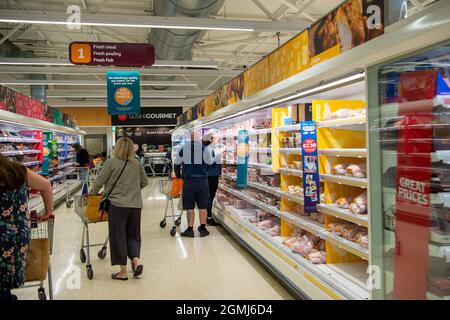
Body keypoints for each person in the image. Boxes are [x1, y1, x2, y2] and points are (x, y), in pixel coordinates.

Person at [91, 137, 148, 281]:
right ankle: (136, 261)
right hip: (135, 206)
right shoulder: (136, 164)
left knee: (118, 237)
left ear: (117, 148)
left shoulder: (110, 163)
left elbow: (99, 181)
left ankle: (123, 272)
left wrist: (92, 194)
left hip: (117, 205)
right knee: (133, 235)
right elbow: (145, 182)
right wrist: (133, 191)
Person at [0, 155, 54, 301]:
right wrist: (49, 211)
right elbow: (46, 185)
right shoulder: (18, 170)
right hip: (17, 235)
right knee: (6, 278)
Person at [174, 131, 213, 238]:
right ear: (198, 138)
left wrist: (179, 175)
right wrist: (205, 172)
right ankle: (203, 229)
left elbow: (176, 165)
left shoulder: (183, 149)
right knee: (203, 206)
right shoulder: (205, 149)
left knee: (190, 207)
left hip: (189, 182)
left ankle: (190, 229)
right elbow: (210, 164)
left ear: (189, 138)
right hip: (203, 182)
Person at [203, 130, 224, 226]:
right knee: (210, 196)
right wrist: (219, 153)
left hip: (212, 174)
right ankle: (208, 217)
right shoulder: (209, 149)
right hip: (211, 175)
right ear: (211, 139)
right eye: (216, 138)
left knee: (210, 195)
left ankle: (208, 215)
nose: (218, 140)